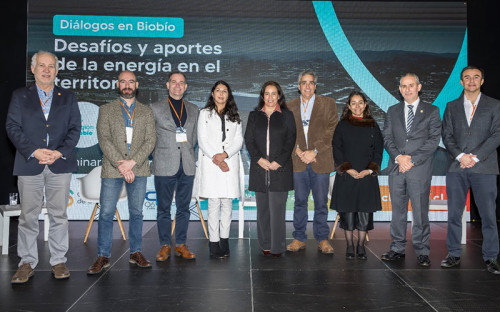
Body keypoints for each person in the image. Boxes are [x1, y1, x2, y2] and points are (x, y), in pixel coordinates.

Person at [6, 51, 81, 283]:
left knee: (59, 214)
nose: (46, 70)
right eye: (42, 65)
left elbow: (75, 129)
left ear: (57, 71)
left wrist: (59, 152)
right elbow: (12, 127)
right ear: (33, 69)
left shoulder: (68, 97)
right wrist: (34, 151)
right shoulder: (20, 96)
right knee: (29, 217)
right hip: (30, 163)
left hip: (60, 163)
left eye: (51, 66)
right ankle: (26, 262)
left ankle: (59, 261)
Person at [87, 70, 156, 274]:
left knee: (136, 213)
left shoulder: (146, 111)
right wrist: (122, 165)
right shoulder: (106, 110)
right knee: (106, 213)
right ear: (118, 85)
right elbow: (104, 139)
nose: (127, 85)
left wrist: (132, 162)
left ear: (137, 85)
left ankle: (136, 252)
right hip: (112, 168)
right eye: (123, 82)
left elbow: (150, 140)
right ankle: (103, 255)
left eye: (131, 82)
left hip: (139, 167)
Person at [441, 66, 500, 274]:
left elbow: (496, 135)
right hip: (456, 167)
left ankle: (491, 257)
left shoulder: (494, 105)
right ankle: (454, 254)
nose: (471, 81)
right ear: (461, 82)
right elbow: (446, 135)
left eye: (476, 77)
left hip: (484, 167)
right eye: (467, 77)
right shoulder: (451, 106)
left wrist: (473, 157)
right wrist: (460, 156)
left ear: (482, 81)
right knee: (454, 214)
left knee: (488, 215)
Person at [381, 73, 441, 267]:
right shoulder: (392, 111)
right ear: (399, 89)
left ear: (419, 87)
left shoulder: (432, 111)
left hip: (419, 169)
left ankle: (422, 250)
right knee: (397, 211)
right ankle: (397, 247)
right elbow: (387, 138)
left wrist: (411, 160)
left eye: (411, 85)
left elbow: (433, 141)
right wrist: (399, 158)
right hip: (397, 168)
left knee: (420, 212)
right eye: (404, 86)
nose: (407, 89)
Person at [286, 70, 338, 254]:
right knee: (299, 201)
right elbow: (287, 133)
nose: (307, 86)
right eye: (303, 82)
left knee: (321, 202)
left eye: (311, 82)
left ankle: (322, 239)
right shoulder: (289, 105)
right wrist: (300, 151)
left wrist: (314, 150)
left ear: (315, 85)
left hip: (320, 159)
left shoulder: (328, 103)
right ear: (298, 86)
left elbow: (332, 129)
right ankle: (299, 237)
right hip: (298, 161)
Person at [244, 81, 296, 257]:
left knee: (277, 211)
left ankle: (278, 247)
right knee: (263, 211)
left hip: (279, 170)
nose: (271, 97)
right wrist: (258, 159)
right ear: (262, 96)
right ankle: (265, 244)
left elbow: (290, 140)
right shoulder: (254, 116)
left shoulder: (287, 116)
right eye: (267, 93)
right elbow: (249, 140)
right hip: (260, 170)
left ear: (279, 96)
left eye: (274, 93)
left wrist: (278, 161)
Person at [151, 72, 199, 260]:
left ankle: (180, 244)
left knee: (183, 208)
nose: (177, 86)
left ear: (185, 87)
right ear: (167, 85)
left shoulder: (194, 109)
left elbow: (194, 137)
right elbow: (150, 136)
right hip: (164, 164)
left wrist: (185, 150)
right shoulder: (154, 108)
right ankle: (164, 245)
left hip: (186, 164)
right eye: (174, 82)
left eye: (181, 83)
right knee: (163, 208)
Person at [330, 91, 383, 259]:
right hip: (347, 176)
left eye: (360, 102)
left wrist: (369, 170)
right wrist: (347, 169)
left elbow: (378, 150)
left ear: (365, 105)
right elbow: (336, 149)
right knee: (348, 213)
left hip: (366, 177)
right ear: (348, 106)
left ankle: (360, 247)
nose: (357, 106)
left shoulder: (373, 125)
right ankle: (349, 246)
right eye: (353, 103)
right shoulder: (342, 125)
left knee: (364, 214)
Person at [195, 81, 244, 259]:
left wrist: (225, 155)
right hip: (211, 163)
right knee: (214, 204)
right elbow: (202, 140)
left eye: (224, 91)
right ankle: (214, 242)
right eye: (218, 91)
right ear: (212, 93)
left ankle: (225, 239)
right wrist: (217, 158)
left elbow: (239, 140)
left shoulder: (235, 114)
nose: (221, 94)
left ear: (228, 94)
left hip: (229, 162)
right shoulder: (204, 113)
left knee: (227, 204)